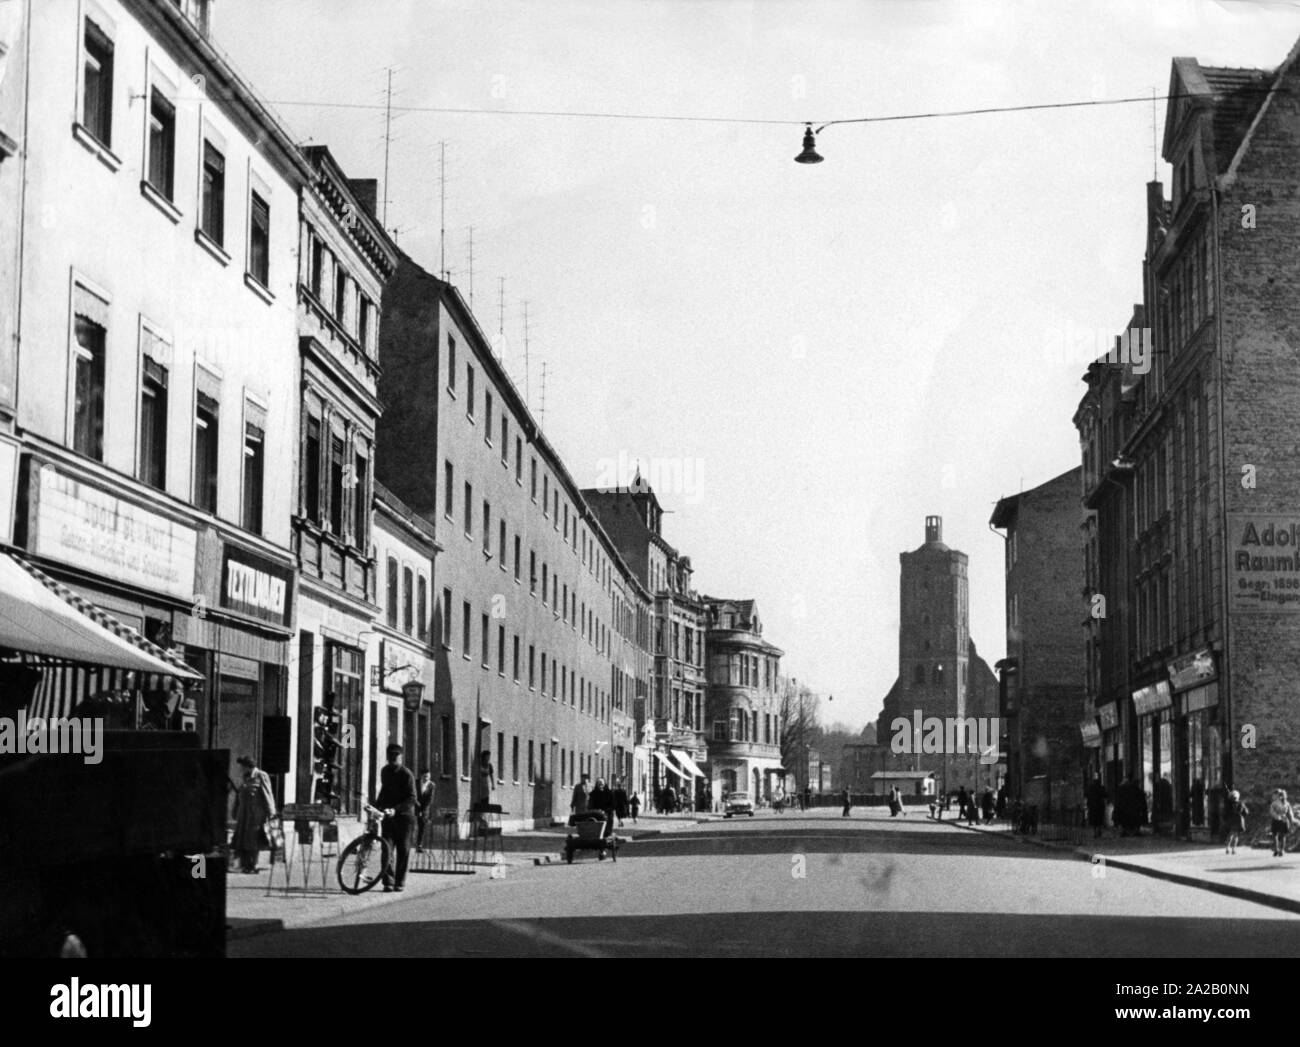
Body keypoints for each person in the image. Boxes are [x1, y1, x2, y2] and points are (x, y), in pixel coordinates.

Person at [375, 743, 417, 892]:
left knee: (403, 850)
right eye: (390, 756)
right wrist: (376, 807)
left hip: (405, 818)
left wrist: (396, 809)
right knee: (386, 849)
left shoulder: (407, 774)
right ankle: (388, 881)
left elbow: (412, 798)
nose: (392, 759)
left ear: (401, 757)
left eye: (395, 756)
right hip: (388, 816)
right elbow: (384, 792)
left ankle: (399, 882)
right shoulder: (385, 771)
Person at [231, 755, 276, 874]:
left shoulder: (261, 775)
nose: (240, 769)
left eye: (242, 766)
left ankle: (254, 864)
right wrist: (235, 810)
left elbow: (267, 793)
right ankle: (246, 865)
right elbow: (239, 795)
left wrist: (271, 812)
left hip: (256, 815)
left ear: (247, 766)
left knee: (254, 840)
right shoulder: (245, 778)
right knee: (243, 839)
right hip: (244, 814)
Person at [1268, 788, 1294, 858]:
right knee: (1283, 836)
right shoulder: (1287, 803)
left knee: (1275, 835)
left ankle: (1277, 849)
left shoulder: (1274, 803)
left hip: (1277, 820)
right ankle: (1281, 850)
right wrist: (1291, 821)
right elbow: (1290, 814)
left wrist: (1276, 816)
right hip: (1284, 820)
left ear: (1279, 796)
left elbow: (1272, 812)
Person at [1225, 788, 1249, 855]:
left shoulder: (1229, 804)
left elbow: (1226, 812)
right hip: (1239, 820)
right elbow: (1246, 812)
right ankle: (1233, 849)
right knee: (1235, 835)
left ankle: (1227, 848)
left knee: (1231, 834)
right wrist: (1242, 816)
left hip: (1232, 820)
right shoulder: (1241, 803)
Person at [415, 771, 435, 852]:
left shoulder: (431, 785)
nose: (426, 778)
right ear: (421, 776)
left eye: (428, 777)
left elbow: (430, 799)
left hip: (424, 809)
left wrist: (422, 810)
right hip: (415, 807)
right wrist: (417, 807)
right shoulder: (416, 783)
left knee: (422, 827)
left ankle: (419, 845)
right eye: (425, 776)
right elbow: (413, 795)